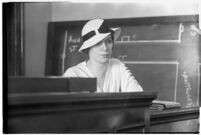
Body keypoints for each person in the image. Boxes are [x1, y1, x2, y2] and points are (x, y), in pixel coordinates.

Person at [63, 19, 143, 93]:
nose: (105, 48)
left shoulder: (117, 66)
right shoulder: (73, 75)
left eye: (109, 41)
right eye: (98, 43)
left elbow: (139, 96)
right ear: (88, 48)